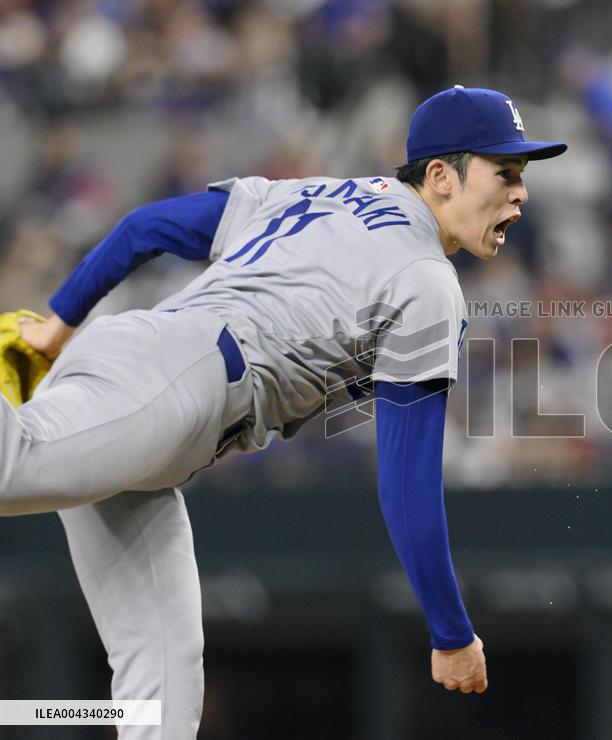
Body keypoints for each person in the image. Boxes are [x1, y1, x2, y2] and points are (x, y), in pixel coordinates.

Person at [1, 85, 566, 738]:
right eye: (506, 172)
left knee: (164, 693)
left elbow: (145, 228)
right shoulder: (426, 280)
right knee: (11, 469)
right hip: (174, 380)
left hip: (147, 407)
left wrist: (59, 323)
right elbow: (407, 483)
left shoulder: (318, 192)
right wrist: (451, 633)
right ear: (441, 175)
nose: (521, 193)